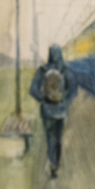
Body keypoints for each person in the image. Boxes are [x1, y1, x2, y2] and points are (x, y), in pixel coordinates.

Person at [28, 45, 76, 177]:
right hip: (60, 111)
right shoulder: (65, 70)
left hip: (47, 111)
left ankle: (52, 163)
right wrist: (65, 101)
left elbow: (32, 90)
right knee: (58, 138)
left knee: (50, 137)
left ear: (49, 55)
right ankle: (56, 163)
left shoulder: (42, 70)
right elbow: (73, 90)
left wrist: (43, 99)